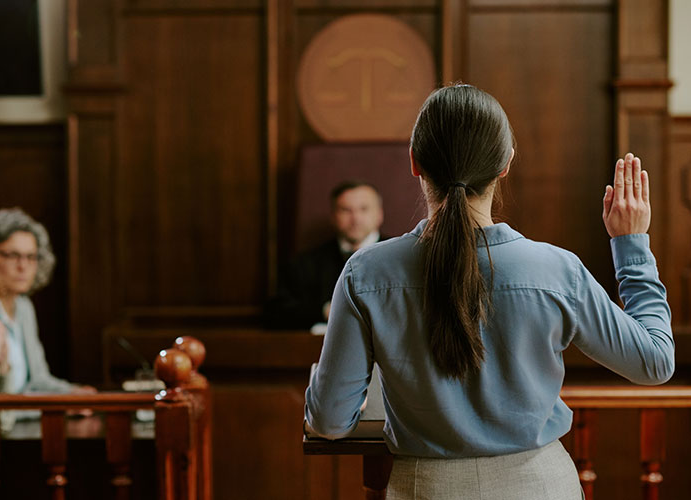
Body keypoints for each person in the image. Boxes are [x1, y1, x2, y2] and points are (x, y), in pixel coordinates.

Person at [305, 84, 674, 499]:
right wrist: (632, 245)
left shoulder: (366, 272)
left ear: (415, 162)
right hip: (540, 486)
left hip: (424, 489)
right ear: (505, 165)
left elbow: (330, 421)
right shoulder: (556, 269)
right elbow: (654, 362)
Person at [0, 208, 94, 395]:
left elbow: (38, 380)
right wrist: (58, 407)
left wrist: (72, 394)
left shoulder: (24, 308)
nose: (23, 266)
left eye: (31, 257)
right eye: (12, 255)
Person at [266, 180, 384, 329]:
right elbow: (277, 312)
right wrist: (325, 311)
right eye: (346, 210)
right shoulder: (305, 263)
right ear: (333, 216)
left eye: (364, 209)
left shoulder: (402, 256)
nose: (356, 219)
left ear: (379, 214)